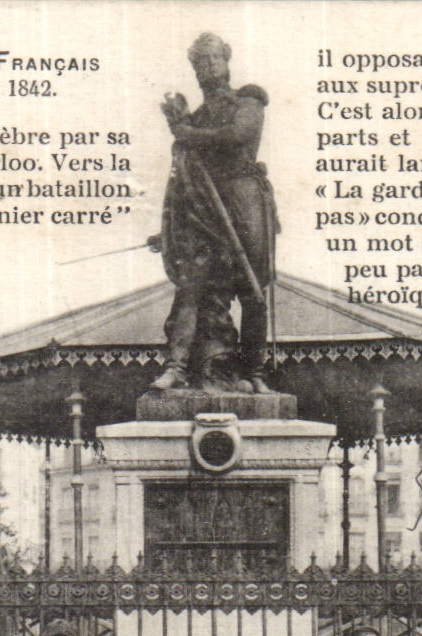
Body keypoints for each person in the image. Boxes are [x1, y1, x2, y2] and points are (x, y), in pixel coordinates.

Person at [148, 32, 278, 394]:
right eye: (199, 62)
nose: (207, 68)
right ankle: (178, 366)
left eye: (213, 59)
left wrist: (185, 132)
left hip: (243, 199)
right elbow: (181, 177)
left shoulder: (248, 100)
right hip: (204, 209)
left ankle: (254, 371)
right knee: (194, 287)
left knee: (252, 290)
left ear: (227, 60)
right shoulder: (197, 118)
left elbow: (237, 135)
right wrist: (169, 229)